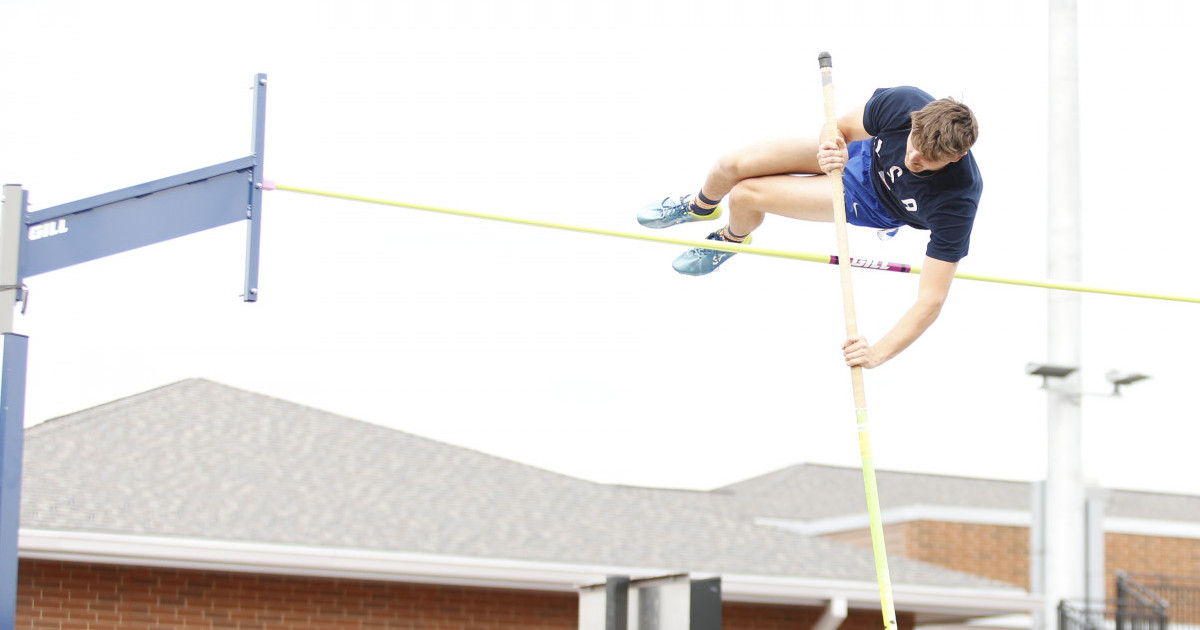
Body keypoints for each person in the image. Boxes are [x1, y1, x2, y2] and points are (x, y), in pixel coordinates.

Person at [636, 86, 981, 369]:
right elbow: (840, 128)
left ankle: (730, 239)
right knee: (731, 165)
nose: (912, 159)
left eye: (926, 160)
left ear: (955, 158)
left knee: (745, 196)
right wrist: (833, 146)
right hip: (855, 155)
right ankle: (699, 207)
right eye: (913, 145)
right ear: (915, 123)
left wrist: (877, 353)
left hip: (869, 201)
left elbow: (930, 300)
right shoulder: (905, 104)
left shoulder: (957, 201)